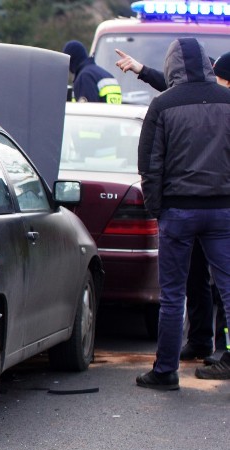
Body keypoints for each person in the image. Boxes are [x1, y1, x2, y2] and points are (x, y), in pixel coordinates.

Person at [117, 48, 230, 365]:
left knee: (172, 296)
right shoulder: (221, 101)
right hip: (221, 210)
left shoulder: (165, 105)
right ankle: (204, 344)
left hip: (179, 212)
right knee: (214, 285)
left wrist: (158, 211)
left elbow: (149, 164)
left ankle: (166, 369)